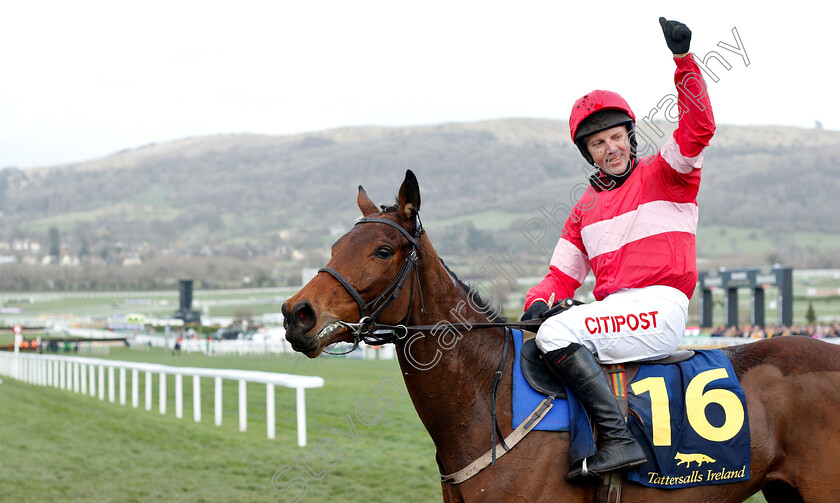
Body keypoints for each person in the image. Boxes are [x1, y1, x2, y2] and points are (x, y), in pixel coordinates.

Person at [521, 17, 714, 484]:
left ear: (630, 135)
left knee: (555, 337)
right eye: (598, 143)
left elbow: (700, 125)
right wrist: (537, 303)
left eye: (616, 137)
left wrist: (684, 62)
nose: (611, 148)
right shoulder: (583, 210)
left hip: (659, 309)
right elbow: (559, 278)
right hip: (619, 314)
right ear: (588, 154)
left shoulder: (667, 171)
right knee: (541, 329)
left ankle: (618, 441)